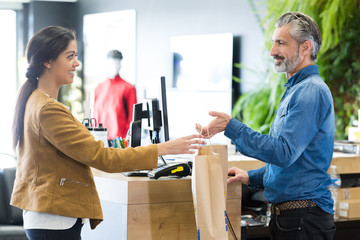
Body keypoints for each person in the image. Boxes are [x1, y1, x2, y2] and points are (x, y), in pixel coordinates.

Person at [11, 26, 205, 240]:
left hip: (51, 215)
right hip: (54, 219)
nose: (76, 63)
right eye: (70, 56)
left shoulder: (36, 101)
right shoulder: (47, 108)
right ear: (48, 61)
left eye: (76, 56)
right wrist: (162, 148)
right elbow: (102, 157)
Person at [196, 12, 336, 239]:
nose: (273, 52)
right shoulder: (297, 89)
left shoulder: (309, 91)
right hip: (295, 219)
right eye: (273, 43)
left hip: (303, 220)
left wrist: (232, 127)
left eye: (281, 43)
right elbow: (296, 165)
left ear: (305, 48)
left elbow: (283, 152)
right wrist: (251, 177)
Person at [93, 49, 136, 140]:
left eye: (117, 63)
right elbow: (95, 115)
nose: (114, 66)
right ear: (106, 65)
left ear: (121, 65)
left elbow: (133, 118)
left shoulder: (128, 88)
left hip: (119, 141)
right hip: (99, 139)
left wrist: (127, 137)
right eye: (111, 63)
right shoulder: (99, 88)